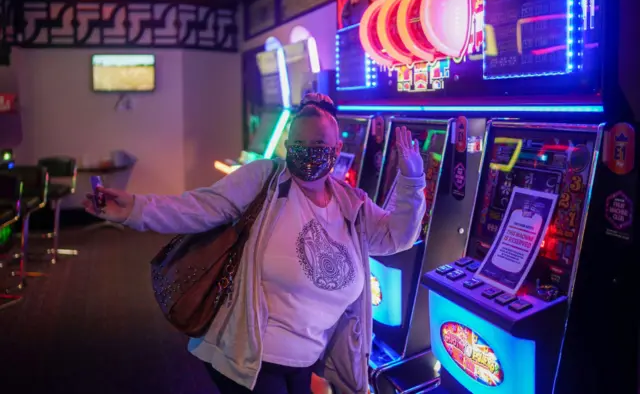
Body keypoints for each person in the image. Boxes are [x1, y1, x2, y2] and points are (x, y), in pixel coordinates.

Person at [83, 93, 426, 394]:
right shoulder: (264, 179)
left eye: (318, 145)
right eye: (298, 145)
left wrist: (412, 181)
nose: (308, 154)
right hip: (250, 352)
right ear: (287, 145)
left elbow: (396, 237)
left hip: (308, 356)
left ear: (337, 149)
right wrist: (134, 208)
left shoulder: (351, 203)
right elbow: (197, 208)